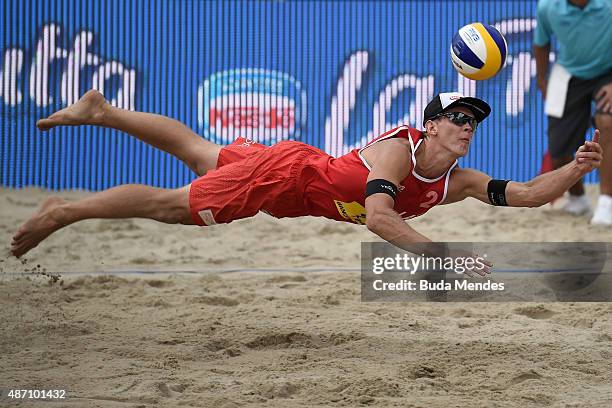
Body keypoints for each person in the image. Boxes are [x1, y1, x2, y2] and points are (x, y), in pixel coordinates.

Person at [10, 90, 603, 277]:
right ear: (431, 125)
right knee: (172, 208)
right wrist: (444, 260)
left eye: (475, 121)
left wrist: (578, 168)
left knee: (198, 151)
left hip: (297, 170)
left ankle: (103, 111)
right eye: (458, 118)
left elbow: (526, 194)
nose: (469, 128)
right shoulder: (400, 151)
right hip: (285, 180)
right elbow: (378, 219)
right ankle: (66, 212)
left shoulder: (455, 180)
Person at [533, 0, 612, 223]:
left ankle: (607, 202)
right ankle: (578, 200)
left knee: (607, 121)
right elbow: (541, 43)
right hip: (568, 73)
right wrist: (541, 80)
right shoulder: (547, 7)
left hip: (608, 73)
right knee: (559, 149)